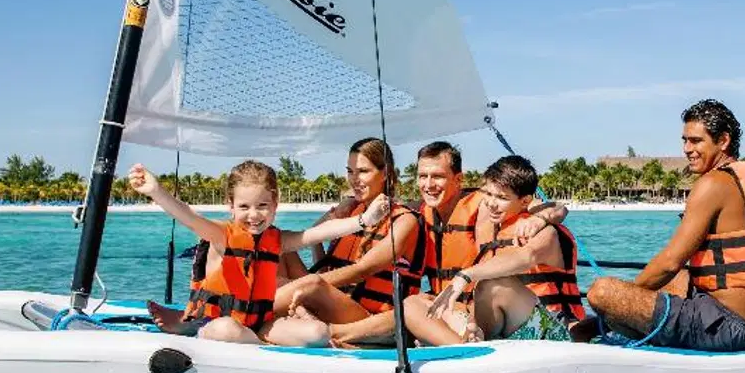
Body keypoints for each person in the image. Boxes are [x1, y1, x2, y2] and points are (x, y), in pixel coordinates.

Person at [581, 99, 745, 352]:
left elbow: (669, 262)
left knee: (602, 292)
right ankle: (596, 327)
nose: (687, 149)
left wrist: (621, 302)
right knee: (678, 278)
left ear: (723, 141)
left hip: (725, 327)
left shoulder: (712, 184)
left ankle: (591, 329)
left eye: (696, 141)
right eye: (685, 140)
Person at [324, 140, 570, 347]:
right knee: (413, 304)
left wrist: (542, 217)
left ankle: (339, 334)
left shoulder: (521, 220)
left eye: (438, 176)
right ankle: (464, 351)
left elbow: (548, 215)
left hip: (532, 320)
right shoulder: (421, 213)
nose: (429, 184)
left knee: (492, 285)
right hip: (473, 315)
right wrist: (350, 203)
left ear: (458, 179)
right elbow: (389, 203)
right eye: (423, 176)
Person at [130, 159, 389, 343]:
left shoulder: (276, 240)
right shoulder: (221, 235)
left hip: (260, 323)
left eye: (262, 206)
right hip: (218, 322)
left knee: (317, 334)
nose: (254, 215)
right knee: (227, 330)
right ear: (230, 206)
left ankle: (252, 341)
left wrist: (363, 220)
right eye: (244, 207)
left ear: (275, 204)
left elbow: (318, 233)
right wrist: (156, 191)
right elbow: (188, 216)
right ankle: (197, 329)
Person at [266, 138, 425, 346]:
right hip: (334, 302)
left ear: (385, 173)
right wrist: (331, 217)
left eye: (363, 171)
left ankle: (251, 310)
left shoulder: (405, 221)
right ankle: (269, 305)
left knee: (313, 283)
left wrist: (307, 285)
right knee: (278, 247)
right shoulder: (352, 212)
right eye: (350, 171)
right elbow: (312, 241)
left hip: (365, 317)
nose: (354, 179)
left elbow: (362, 270)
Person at [411, 155, 585, 343]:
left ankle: (476, 344)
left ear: (525, 201)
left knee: (492, 285)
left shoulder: (545, 231)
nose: (491, 203)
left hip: (551, 332)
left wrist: (465, 275)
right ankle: (466, 343)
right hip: (505, 329)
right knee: (413, 303)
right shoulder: (490, 228)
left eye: (502, 198)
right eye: (488, 194)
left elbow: (526, 256)